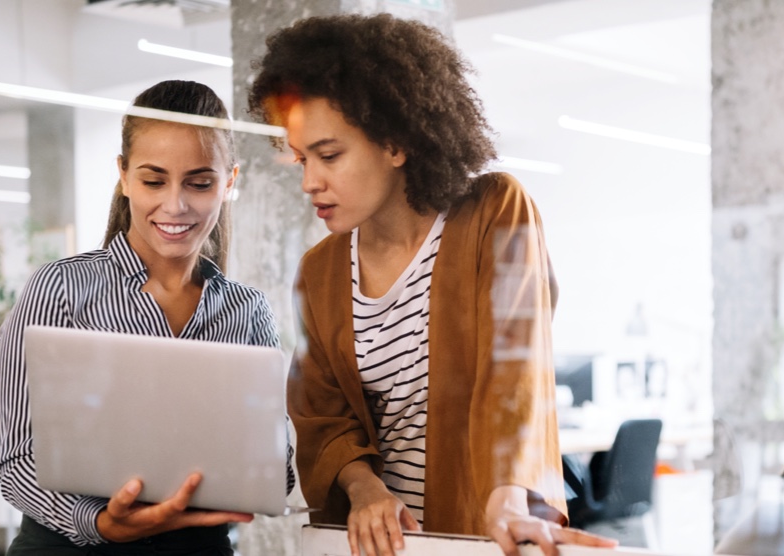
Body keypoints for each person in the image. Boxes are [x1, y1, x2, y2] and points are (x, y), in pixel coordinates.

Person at [246, 14, 616, 556]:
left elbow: (514, 376)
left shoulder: (494, 212)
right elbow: (322, 419)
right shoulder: (320, 271)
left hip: (479, 534)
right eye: (302, 160)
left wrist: (509, 499)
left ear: (396, 143)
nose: (309, 182)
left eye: (329, 155)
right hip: (379, 544)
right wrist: (366, 489)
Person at [0, 80, 291, 554]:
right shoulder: (59, 289)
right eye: (154, 180)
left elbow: (277, 461)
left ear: (229, 181)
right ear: (125, 175)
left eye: (200, 182)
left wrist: (266, 467)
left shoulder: (246, 312)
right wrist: (99, 522)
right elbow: (17, 460)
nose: (175, 205)